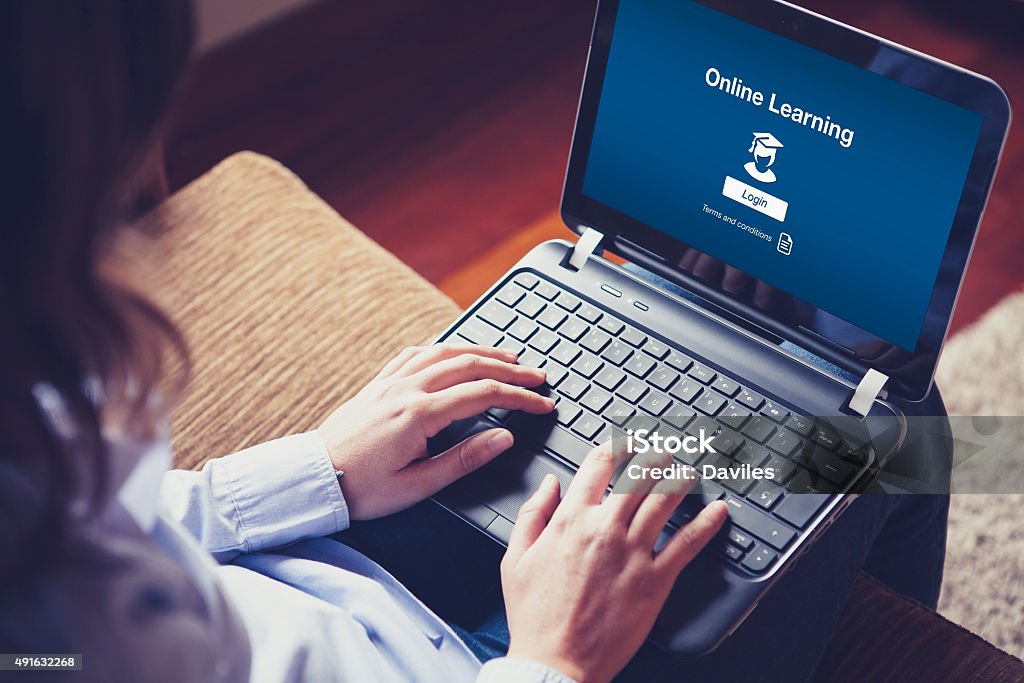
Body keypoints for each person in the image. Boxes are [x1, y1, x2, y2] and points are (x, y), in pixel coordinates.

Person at [0, 3, 950, 682]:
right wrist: (552, 657)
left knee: (739, 332)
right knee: (904, 424)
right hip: (499, 654)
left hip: (341, 576)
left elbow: (120, 525)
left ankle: (762, 262)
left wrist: (312, 470)